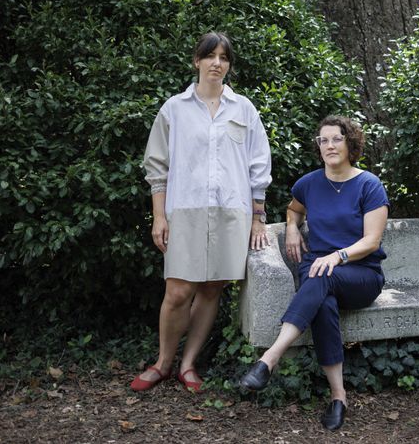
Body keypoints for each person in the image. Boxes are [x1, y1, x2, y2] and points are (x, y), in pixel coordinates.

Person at [132, 31, 272, 393]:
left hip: (231, 213)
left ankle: (188, 364)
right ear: (197, 61)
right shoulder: (174, 109)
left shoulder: (244, 109)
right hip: (186, 210)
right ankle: (163, 363)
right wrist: (159, 217)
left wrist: (258, 216)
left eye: (224, 58)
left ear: (229, 65)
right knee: (178, 290)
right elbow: (157, 167)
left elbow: (258, 165)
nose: (217, 64)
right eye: (210, 56)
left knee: (212, 288)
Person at [239, 115, 389, 431]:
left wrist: (338, 256)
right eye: (324, 140)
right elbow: (294, 209)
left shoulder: (369, 185)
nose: (330, 145)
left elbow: (372, 240)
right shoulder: (308, 184)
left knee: (324, 275)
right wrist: (292, 228)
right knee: (324, 302)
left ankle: (269, 358)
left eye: (337, 138)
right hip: (319, 269)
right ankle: (338, 397)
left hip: (360, 273)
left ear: (350, 143)